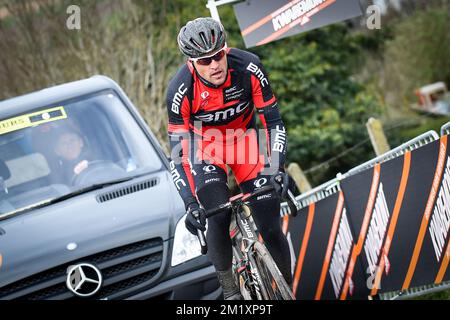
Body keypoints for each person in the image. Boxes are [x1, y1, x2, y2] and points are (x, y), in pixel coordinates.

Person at [166, 17, 295, 300]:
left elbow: (273, 122)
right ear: (191, 63)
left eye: (217, 55)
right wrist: (190, 203)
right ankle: (229, 289)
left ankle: (286, 289)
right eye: (204, 61)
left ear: (225, 49)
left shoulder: (248, 66)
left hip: (244, 141)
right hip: (206, 149)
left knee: (271, 224)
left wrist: (278, 167)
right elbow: (178, 155)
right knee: (218, 213)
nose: (214, 65)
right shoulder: (180, 89)